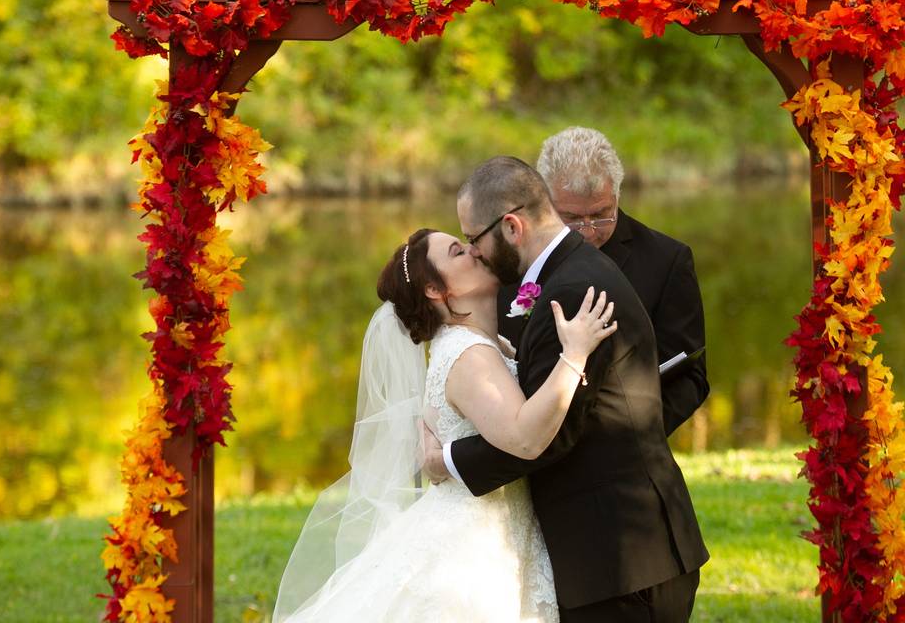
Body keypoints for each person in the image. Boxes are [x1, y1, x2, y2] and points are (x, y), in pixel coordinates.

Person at [272, 225, 618, 622]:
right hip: (473, 547)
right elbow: (524, 439)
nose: (474, 251)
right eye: (457, 252)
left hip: (502, 528)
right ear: (437, 291)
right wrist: (574, 355)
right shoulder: (467, 354)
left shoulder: (486, 345)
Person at [423, 156, 708, 623]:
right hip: (615, 556)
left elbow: (548, 436)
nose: (473, 252)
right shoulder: (567, 273)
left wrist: (447, 460)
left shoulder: (572, 292)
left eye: (473, 239)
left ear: (511, 226)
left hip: (621, 559)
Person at [501, 126, 709, 435]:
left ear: (617, 193)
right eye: (570, 218)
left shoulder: (666, 261)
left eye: (602, 214)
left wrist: (631, 439)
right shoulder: (512, 260)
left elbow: (691, 378)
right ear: (543, 202)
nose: (588, 231)